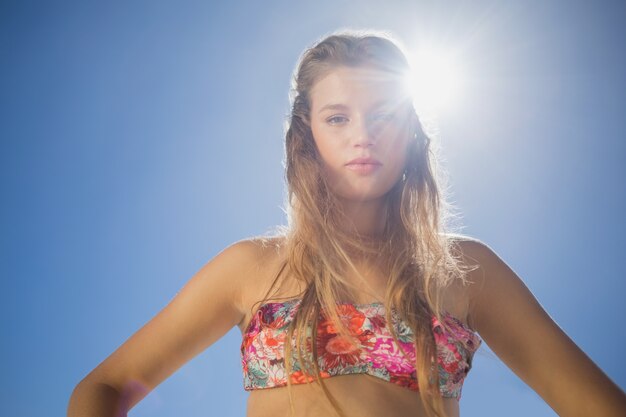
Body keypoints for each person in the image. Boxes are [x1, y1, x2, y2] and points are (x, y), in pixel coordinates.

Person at [67, 30, 626, 417]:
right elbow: (104, 386)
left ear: (411, 133)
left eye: (385, 114)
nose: (364, 134)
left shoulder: (467, 270)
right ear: (305, 135)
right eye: (338, 117)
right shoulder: (251, 268)